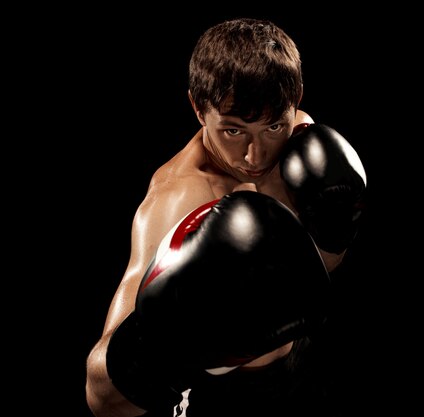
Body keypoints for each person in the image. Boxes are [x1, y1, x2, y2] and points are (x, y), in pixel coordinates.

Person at [85, 17, 367, 417]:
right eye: (233, 131)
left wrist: (333, 233)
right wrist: (168, 337)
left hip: (303, 363)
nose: (256, 156)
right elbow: (100, 396)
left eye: (272, 126)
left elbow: (317, 269)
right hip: (227, 398)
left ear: (296, 100)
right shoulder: (178, 199)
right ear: (199, 110)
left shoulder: (301, 141)